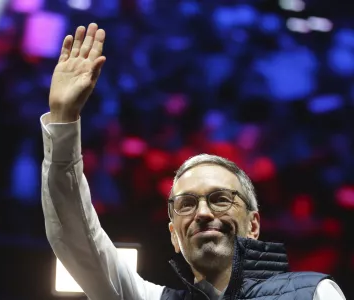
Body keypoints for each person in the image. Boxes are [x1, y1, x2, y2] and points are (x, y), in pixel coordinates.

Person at [40, 23, 346, 300]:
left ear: (253, 225)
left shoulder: (312, 293)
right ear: (174, 235)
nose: (202, 212)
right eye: (186, 204)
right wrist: (64, 120)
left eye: (220, 199)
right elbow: (75, 234)